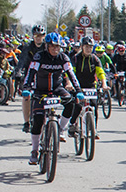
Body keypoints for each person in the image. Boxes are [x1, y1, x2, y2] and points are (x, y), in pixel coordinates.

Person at [22, 33, 83, 164]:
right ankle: (34, 150)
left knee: (71, 103)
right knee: (38, 121)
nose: (56, 49)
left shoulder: (63, 57)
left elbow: (71, 74)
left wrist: (78, 90)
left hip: (57, 88)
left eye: (58, 47)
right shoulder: (39, 57)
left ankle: (60, 129)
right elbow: (31, 72)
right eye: (53, 47)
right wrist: (26, 87)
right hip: (40, 90)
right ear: (47, 46)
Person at [71, 37, 108, 140]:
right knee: (77, 106)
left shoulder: (95, 59)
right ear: (82, 47)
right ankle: (72, 124)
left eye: (90, 47)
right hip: (78, 86)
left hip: (91, 86)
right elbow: (71, 72)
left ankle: (94, 129)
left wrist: (104, 84)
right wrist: (71, 84)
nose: (88, 49)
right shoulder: (75, 58)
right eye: (86, 47)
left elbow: (100, 72)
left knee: (94, 106)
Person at [15, 25, 46, 133]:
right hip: (30, 73)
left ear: (44, 36)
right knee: (26, 96)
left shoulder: (46, 46)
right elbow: (22, 61)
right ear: (33, 36)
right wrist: (18, 72)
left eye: (40, 36)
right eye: (36, 36)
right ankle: (26, 122)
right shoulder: (28, 46)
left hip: (43, 74)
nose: (38, 38)